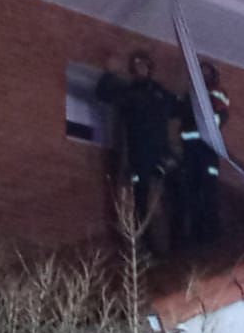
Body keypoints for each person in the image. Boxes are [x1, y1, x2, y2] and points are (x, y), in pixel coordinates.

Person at [96, 50, 180, 247]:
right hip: (139, 154)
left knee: (175, 191)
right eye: (137, 65)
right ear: (133, 69)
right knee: (140, 198)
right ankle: (145, 242)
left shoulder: (161, 93)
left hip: (161, 152)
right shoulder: (129, 92)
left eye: (144, 64)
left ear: (150, 68)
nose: (141, 69)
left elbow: (180, 109)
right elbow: (103, 94)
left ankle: (177, 239)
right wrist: (108, 73)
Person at [179, 61, 229, 246]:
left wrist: (203, 124)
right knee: (193, 190)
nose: (204, 76)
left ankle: (212, 232)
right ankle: (197, 232)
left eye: (207, 73)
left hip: (207, 148)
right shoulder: (190, 95)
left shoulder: (217, 93)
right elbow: (182, 116)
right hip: (191, 150)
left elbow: (221, 115)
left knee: (209, 190)